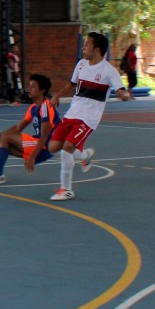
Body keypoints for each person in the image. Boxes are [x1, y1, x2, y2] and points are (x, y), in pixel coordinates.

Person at [43, 32, 131, 201]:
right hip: (73, 113)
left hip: (88, 118)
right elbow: (72, 84)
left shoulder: (109, 71)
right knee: (53, 147)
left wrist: (123, 94)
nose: (83, 48)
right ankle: (85, 156)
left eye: (86, 45)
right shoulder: (81, 64)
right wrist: (57, 95)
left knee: (67, 148)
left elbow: (121, 89)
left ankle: (66, 189)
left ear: (96, 49)